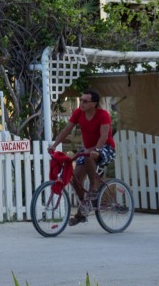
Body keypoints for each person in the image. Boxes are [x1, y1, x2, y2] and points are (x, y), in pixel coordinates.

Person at [48, 91, 115, 224]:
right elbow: (67, 129)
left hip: (106, 148)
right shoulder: (78, 113)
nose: (81, 103)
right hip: (88, 150)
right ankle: (84, 209)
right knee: (75, 179)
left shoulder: (103, 115)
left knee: (88, 154)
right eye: (81, 100)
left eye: (85, 101)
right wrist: (54, 145)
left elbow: (104, 136)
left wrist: (96, 149)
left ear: (94, 104)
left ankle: (94, 187)